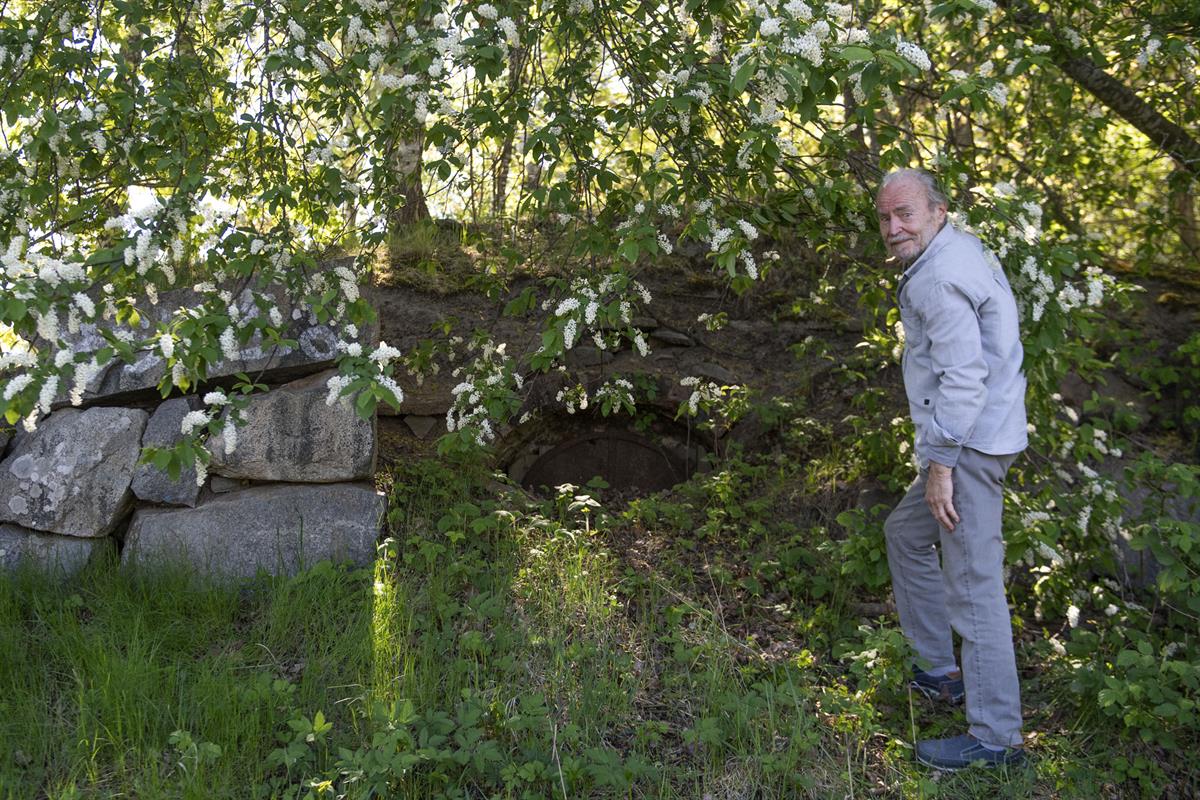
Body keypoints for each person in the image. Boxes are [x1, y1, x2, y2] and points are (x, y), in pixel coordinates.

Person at [875, 168, 1028, 770]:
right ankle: (940, 670)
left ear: (937, 211)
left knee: (973, 584)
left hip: (967, 447)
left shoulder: (938, 277)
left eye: (905, 214)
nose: (894, 228)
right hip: (976, 439)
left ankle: (996, 739)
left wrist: (941, 466)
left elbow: (964, 381)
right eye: (886, 218)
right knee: (906, 534)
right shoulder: (957, 249)